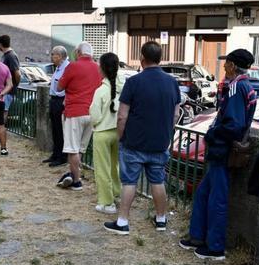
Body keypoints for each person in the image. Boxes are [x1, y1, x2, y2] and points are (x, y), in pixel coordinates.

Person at [180, 49, 257, 260]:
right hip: (222, 150)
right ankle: (197, 237)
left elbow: (233, 124)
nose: (223, 66)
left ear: (232, 65)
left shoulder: (235, 88)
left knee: (217, 199)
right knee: (204, 194)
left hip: (222, 150)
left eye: (226, 63)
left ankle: (215, 247)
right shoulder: (243, 86)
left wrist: (213, 134)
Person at [104, 41, 180, 235]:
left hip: (134, 142)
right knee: (157, 181)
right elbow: (175, 113)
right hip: (159, 142)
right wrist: (167, 133)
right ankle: (161, 219)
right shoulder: (172, 82)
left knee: (129, 182)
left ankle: (122, 222)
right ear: (160, 59)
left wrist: (121, 137)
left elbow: (122, 115)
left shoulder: (134, 82)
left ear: (142, 58)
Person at [56, 42, 102, 190]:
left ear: (78, 52)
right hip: (92, 112)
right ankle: (74, 173)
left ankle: (76, 181)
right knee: (80, 149)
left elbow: (59, 87)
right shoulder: (98, 68)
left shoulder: (73, 66)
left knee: (72, 148)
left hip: (74, 111)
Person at [89, 53, 124, 214]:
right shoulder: (122, 86)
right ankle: (116, 193)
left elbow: (95, 116)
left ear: (102, 68)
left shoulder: (101, 91)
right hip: (118, 131)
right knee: (114, 165)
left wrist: (94, 124)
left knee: (102, 169)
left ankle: (107, 202)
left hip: (102, 132)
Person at [43, 46, 70, 167]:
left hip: (61, 101)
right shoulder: (58, 68)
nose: (51, 57)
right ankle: (55, 153)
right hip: (54, 100)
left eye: (53, 54)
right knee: (54, 128)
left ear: (59, 56)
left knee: (60, 129)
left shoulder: (67, 68)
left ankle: (62, 157)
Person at [0, 34, 21, 113]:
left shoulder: (11, 56)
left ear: (0, 45)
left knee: (4, 111)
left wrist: (15, 85)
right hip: (4, 89)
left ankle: (1, 125)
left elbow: (17, 73)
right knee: (1, 110)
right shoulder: (6, 55)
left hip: (8, 90)